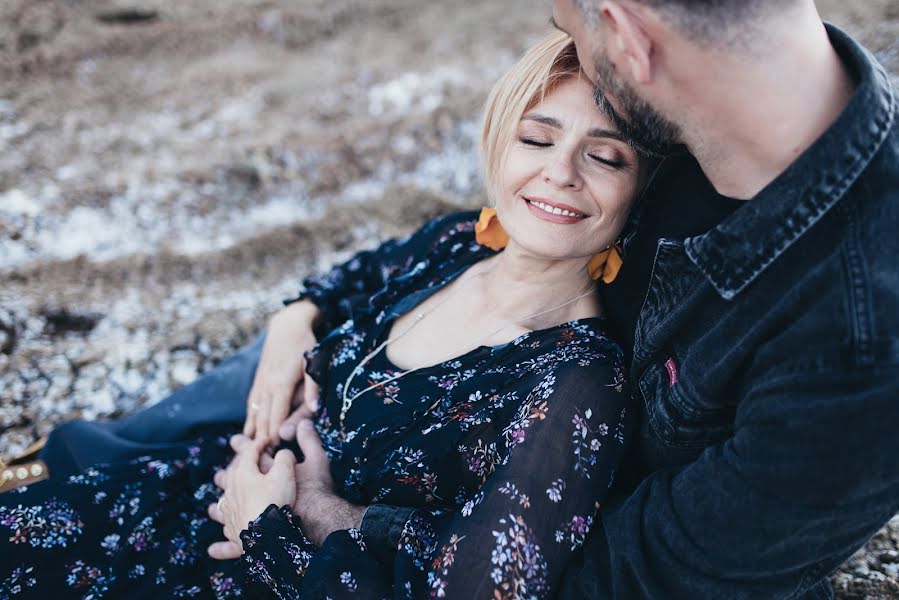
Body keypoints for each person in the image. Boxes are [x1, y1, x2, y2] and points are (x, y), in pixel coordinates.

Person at [1, 32, 645, 598]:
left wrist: (290, 523)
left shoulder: (579, 387)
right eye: (537, 137)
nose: (559, 171)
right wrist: (293, 323)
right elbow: (354, 275)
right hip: (203, 487)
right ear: (500, 141)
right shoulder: (461, 241)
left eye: (605, 156)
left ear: (638, 191)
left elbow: (478, 584)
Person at [355, 1, 899, 598]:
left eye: (571, 31)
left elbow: (624, 582)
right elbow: (509, 228)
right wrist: (297, 324)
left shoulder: (862, 355)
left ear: (630, 38)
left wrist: (330, 519)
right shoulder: (718, 106)